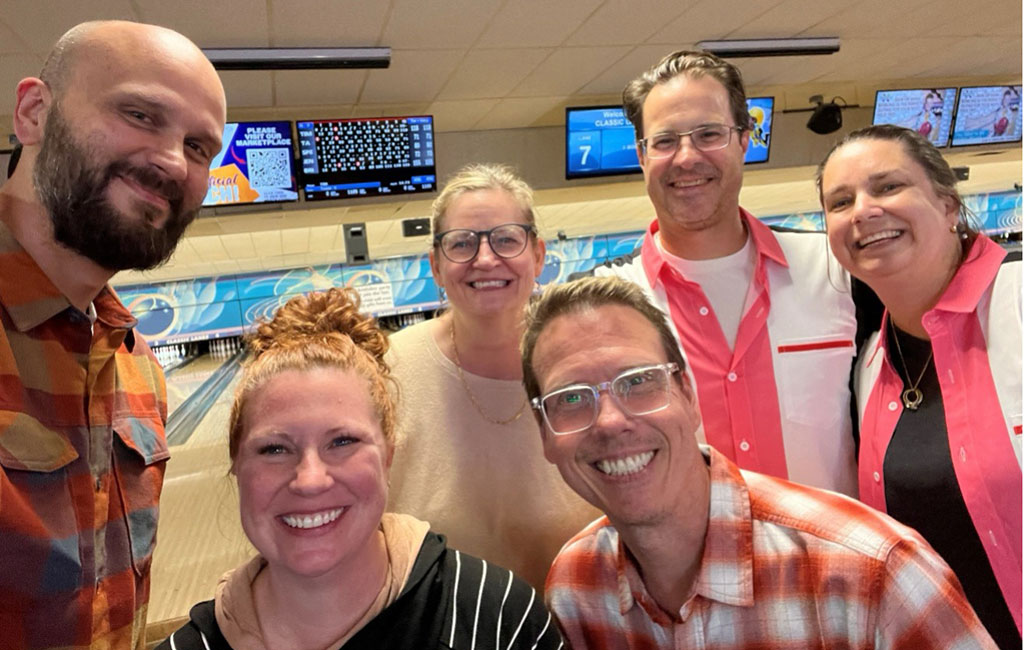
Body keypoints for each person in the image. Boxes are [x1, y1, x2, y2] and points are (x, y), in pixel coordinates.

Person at [520, 275, 997, 649]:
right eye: (570, 399)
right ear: (544, 434)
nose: (609, 422)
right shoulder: (577, 590)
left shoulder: (875, 574)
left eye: (638, 381)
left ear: (687, 395)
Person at [158, 288, 560, 649]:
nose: (310, 479)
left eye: (343, 442)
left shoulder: (503, 619)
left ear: (388, 455)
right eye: (274, 449)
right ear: (237, 464)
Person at [0, 21, 226, 650]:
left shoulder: (139, 365)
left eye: (199, 147)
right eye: (140, 114)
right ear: (33, 112)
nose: (172, 161)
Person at [591, 50, 858, 496]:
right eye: (664, 141)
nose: (686, 157)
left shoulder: (836, 268)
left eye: (709, 134)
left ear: (744, 140)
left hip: (836, 541)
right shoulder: (609, 303)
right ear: (641, 155)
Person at [817, 124, 1021, 648]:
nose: (863, 210)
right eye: (840, 202)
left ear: (948, 205)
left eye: (888, 186)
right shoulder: (869, 365)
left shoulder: (1018, 301)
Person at [386, 163, 599, 591]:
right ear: (435, 265)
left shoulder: (588, 364)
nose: (485, 259)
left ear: (538, 255)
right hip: (437, 622)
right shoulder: (387, 370)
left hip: (574, 616)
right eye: (461, 243)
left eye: (506, 239)